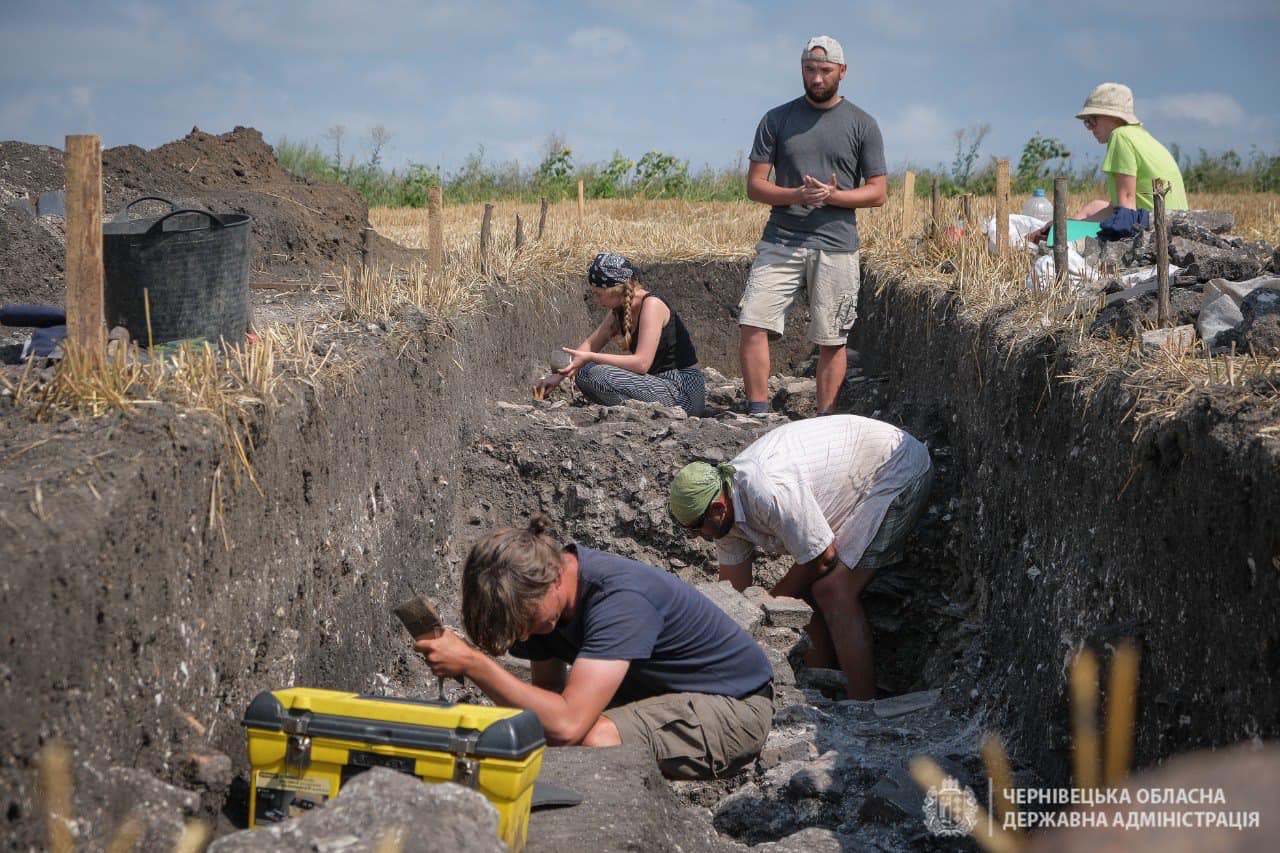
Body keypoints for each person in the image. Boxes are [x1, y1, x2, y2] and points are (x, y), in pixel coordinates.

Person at [413, 514, 774, 780]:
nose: (523, 637)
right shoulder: (539, 601)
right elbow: (548, 695)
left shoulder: (621, 600)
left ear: (555, 579)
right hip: (662, 691)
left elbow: (568, 725)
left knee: (594, 741)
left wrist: (474, 664)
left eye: (526, 621)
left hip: (736, 706)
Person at [668, 416, 932, 700]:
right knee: (799, 595)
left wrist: (771, 602)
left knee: (832, 589)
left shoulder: (766, 490)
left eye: (696, 528)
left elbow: (823, 558)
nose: (696, 537)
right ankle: (818, 689)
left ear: (718, 508)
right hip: (860, 475)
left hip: (897, 469)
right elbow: (735, 598)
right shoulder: (724, 518)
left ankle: (862, 707)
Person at [740, 35, 887, 416]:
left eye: (824, 71)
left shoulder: (863, 124)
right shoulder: (776, 119)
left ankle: (825, 422)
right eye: (809, 70)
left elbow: (878, 192)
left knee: (832, 338)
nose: (816, 79)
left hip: (837, 244)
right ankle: (757, 413)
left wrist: (832, 197)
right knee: (752, 321)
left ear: (842, 71)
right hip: (781, 240)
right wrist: (797, 196)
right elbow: (755, 186)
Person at [532, 253, 705, 416]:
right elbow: (592, 344)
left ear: (616, 290)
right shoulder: (620, 308)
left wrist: (590, 357)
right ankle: (634, 413)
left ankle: (636, 414)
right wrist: (558, 376)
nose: (596, 300)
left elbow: (641, 364)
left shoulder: (652, 305)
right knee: (584, 372)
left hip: (683, 394)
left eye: (598, 294)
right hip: (656, 383)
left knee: (597, 374)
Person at [1032, 83, 1188, 243]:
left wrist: (1065, 234)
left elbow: (1126, 206)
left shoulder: (1119, 136)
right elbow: (1116, 207)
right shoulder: (1140, 136)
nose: (1089, 128)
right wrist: (1065, 225)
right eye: (1087, 122)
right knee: (1094, 207)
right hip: (1172, 223)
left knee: (1057, 237)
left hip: (1157, 228)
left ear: (1115, 117)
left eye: (1092, 120)